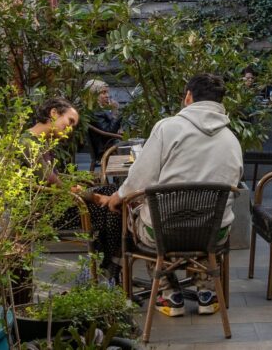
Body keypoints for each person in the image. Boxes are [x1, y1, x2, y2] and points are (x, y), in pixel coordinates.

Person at [102, 74, 243, 318]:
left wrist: (118, 197)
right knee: (202, 223)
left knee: (141, 216)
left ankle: (168, 294)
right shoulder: (231, 139)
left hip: (163, 234)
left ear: (188, 96)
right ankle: (207, 291)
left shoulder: (167, 128)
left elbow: (140, 177)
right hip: (213, 235)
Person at [21, 97, 123, 279]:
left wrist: (78, 183)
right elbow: (51, 181)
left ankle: (110, 261)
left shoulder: (41, 142)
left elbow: (54, 178)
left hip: (55, 203)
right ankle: (111, 263)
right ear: (53, 113)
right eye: (69, 122)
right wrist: (93, 197)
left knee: (112, 194)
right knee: (111, 204)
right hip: (42, 212)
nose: (70, 130)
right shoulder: (28, 143)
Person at [85, 79, 121, 162]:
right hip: (105, 148)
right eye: (103, 92)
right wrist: (115, 112)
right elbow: (109, 132)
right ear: (93, 95)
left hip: (110, 144)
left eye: (107, 92)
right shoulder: (94, 112)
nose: (107, 96)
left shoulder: (98, 109)